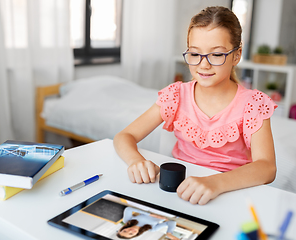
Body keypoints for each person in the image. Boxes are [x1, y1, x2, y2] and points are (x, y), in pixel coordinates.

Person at [113, 6, 277, 205]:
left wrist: (215, 183)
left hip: (230, 194)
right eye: (195, 54)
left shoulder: (253, 104)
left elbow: (267, 167)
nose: (203, 65)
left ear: (236, 55)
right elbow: (124, 136)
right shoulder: (176, 95)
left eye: (216, 55)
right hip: (182, 193)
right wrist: (135, 161)